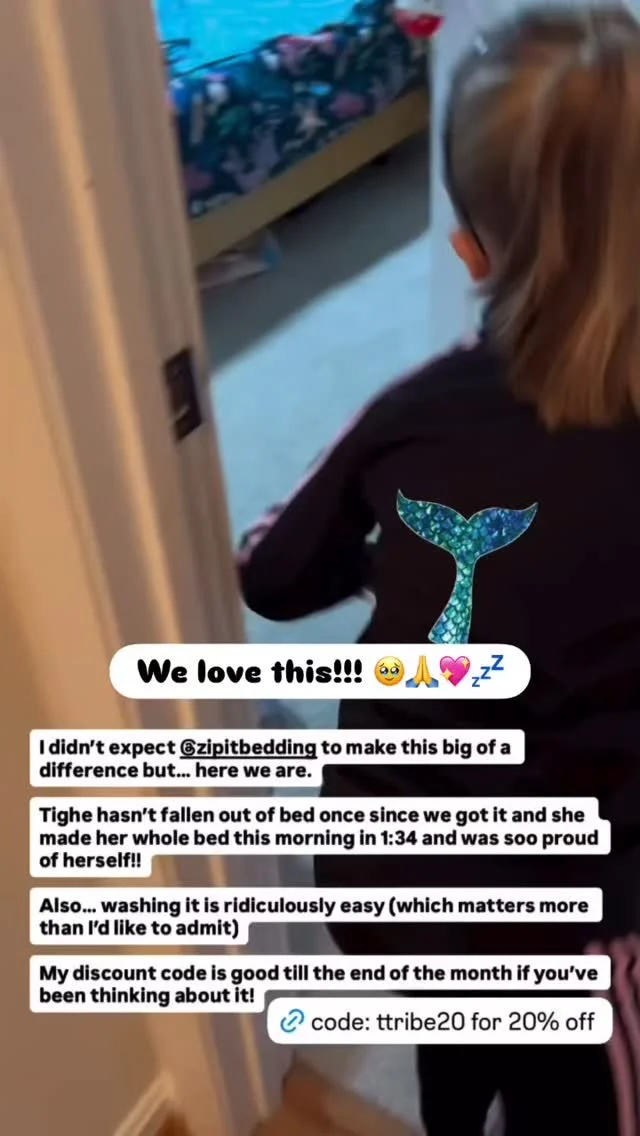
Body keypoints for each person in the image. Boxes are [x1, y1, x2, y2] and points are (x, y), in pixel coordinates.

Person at [238, 6, 640, 1133]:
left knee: (450, 1035)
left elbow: (268, 573)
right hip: (559, 916)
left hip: (387, 859)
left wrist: (390, 563)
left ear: (469, 251)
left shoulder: (408, 414)